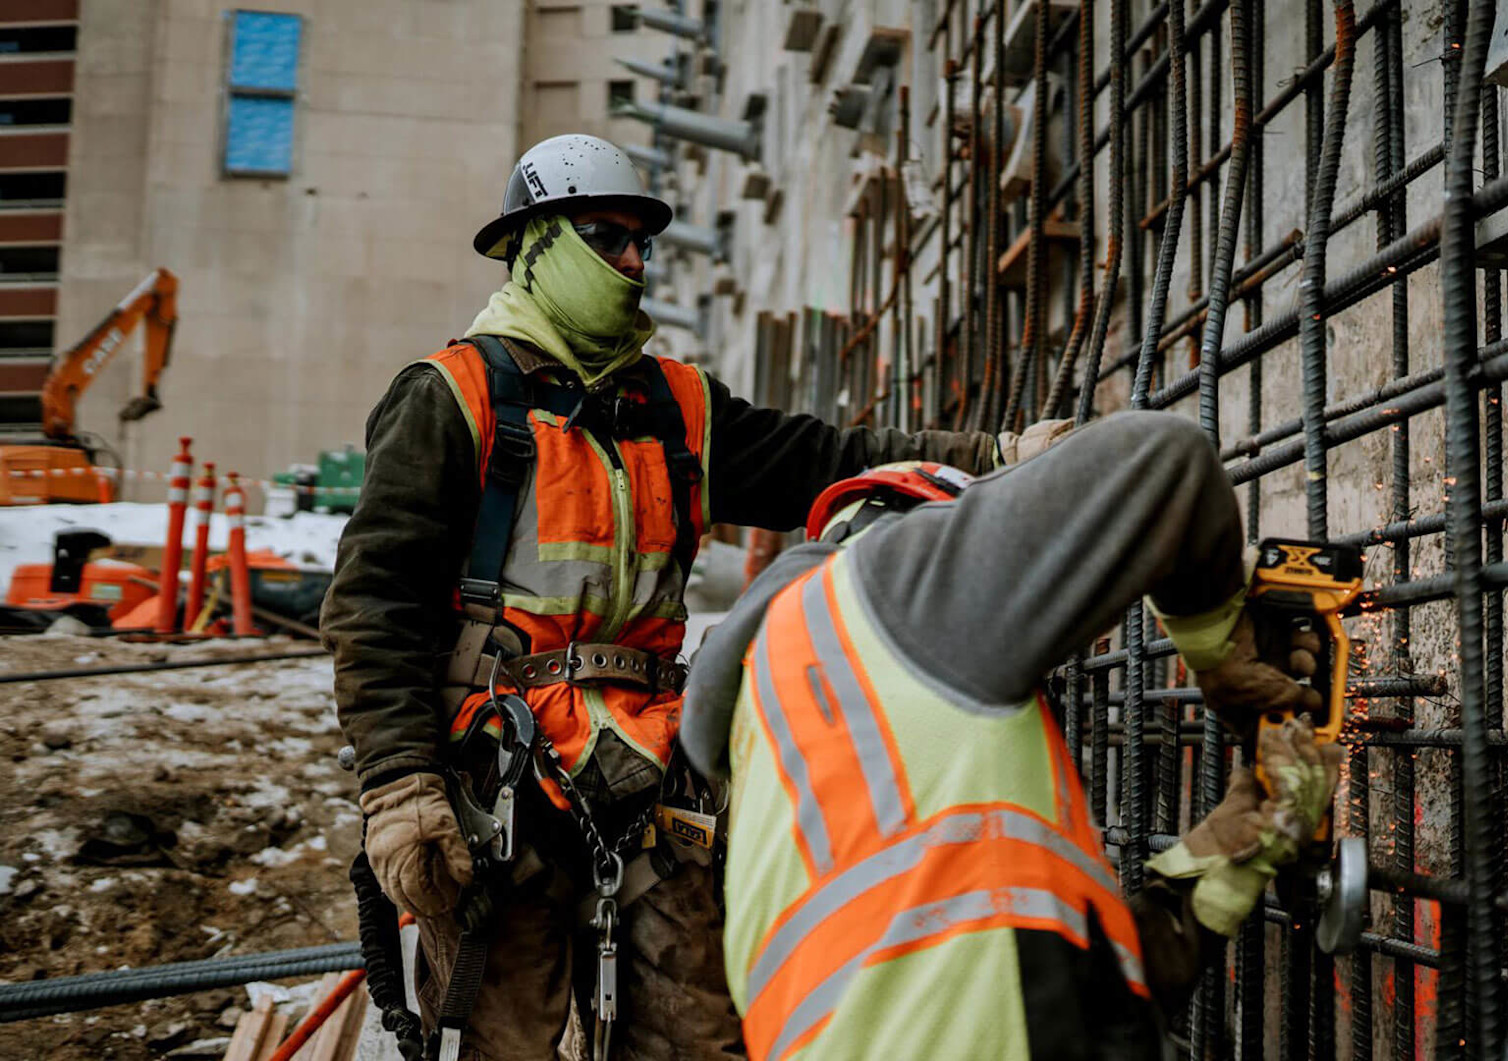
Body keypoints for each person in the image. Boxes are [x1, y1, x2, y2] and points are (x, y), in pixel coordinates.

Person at [322, 133, 1029, 1061]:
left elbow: (826, 461)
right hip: (499, 787)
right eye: (606, 238)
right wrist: (399, 785)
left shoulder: (677, 404)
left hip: (651, 783)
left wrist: (1002, 460)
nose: (632, 262)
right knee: (502, 1043)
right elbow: (376, 603)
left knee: (696, 1038)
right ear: (537, 246)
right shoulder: (453, 397)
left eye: (640, 242)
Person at [680, 411, 1346, 1059]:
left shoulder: (767, 750)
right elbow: (1169, 459)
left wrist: (1218, 868)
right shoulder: (897, 583)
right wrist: (1225, 659)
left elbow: (1011, 986)